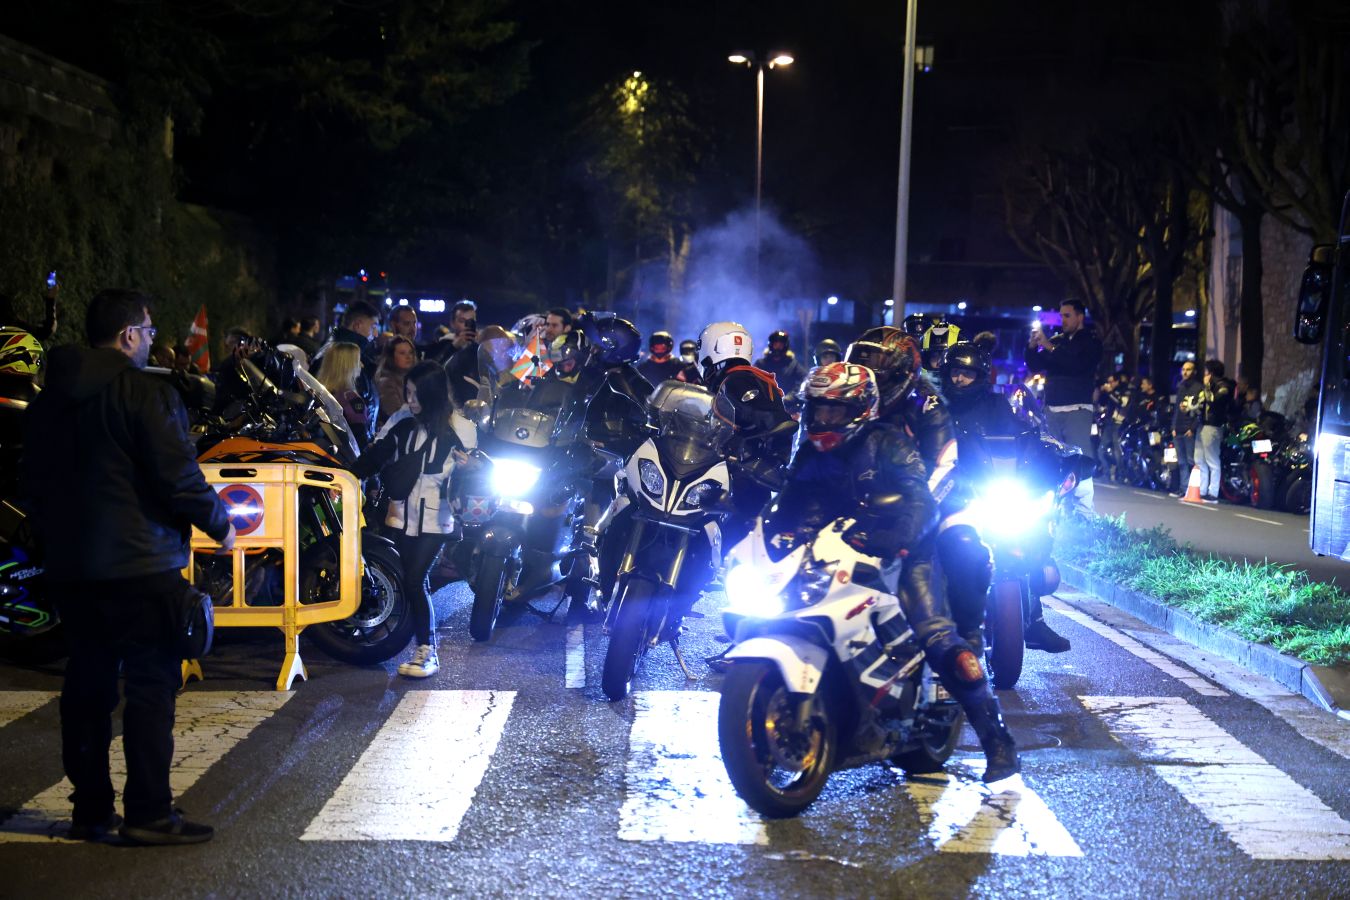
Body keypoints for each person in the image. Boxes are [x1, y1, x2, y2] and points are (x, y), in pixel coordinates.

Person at [22, 289, 234, 844]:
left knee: (87, 685)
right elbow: (177, 475)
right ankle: (149, 814)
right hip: (142, 566)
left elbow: (31, 484)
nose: (149, 339)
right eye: (145, 328)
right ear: (127, 335)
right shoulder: (145, 393)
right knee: (149, 686)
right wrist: (221, 524)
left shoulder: (49, 400)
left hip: (73, 567)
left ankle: (90, 810)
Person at [772, 361, 1019, 782]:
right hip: (835, 544)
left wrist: (896, 538)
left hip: (903, 551)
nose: (824, 419)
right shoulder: (810, 451)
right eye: (818, 410)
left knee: (938, 637)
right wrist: (771, 534)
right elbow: (790, 500)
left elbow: (920, 500)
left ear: (862, 409)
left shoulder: (887, 444)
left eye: (834, 410)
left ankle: (998, 743)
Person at [940, 341, 1072, 653]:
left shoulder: (998, 406)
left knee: (1030, 541)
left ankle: (1034, 622)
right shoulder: (938, 408)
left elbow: (1027, 438)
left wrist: (1052, 455)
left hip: (995, 487)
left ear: (981, 376)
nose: (960, 379)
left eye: (967, 374)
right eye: (956, 372)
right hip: (956, 493)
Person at [353, 362, 467, 678]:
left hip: (437, 517)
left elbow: (484, 471)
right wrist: (344, 474)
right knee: (413, 581)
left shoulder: (460, 429)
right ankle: (420, 644)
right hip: (400, 515)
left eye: (416, 394)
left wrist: (471, 468)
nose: (410, 399)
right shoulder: (403, 424)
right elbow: (373, 459)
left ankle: (427, 650)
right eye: (408, 392)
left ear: (432, 394)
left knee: (415, 578)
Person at [1023, 299, 1102, 511]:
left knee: (1080, 459)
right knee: (1051, 459)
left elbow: (1076, 364)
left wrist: (1048, 346)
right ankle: (1054, 509)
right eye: (1061, 316)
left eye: (1067, 315)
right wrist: (1032, 347)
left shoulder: (1090, 341)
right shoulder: (1058, 341)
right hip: (1052, 409)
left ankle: (1085, 511)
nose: (1063, 320)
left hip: (1077, 409)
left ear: (1080, 317)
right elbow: (1035, 364)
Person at [313, 301, 381, 444]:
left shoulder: (333, 349)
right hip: (347, 446)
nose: (376, 333)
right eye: (373, 326)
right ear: (357, 325)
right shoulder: (343, 355)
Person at [316, 342, 370, 444]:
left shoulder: (318, 393)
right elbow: (360, 438)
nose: (361, 365)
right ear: (348, 367)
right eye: (357, 361)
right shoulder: (351, 399)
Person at [1197, 359, 1234, 503]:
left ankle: (1213, 493)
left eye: (1206, 371)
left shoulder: (1223, 386)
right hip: (1204, 425)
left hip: (1213, 425)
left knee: (1212, 460)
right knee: (1201, 459)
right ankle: (1202, 490)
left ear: (1211, 372)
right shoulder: (1213, 385)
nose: (1204, 374)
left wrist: (1207, 387)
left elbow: (1214, 401)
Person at [1172, 361, 1202, 495]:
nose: (1185, 372)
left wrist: (1193, 428)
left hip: (1189, 430)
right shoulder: (1181, 387)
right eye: (1183, 369)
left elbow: (1199, 411)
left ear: (1194, 371)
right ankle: (1183, 489)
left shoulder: (1198, 388)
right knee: (1182, 462)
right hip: (1178, 428)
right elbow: (1176, 409)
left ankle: (1193, 488)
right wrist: (1173, 426)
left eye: (1188, 369)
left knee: (1191, 460)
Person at [374, 335, 418, 427]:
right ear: (391, 357)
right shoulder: (386, 382)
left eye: (411, 352)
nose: (408, 357)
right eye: (402, 353)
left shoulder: (415, 378)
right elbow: (395, 414)